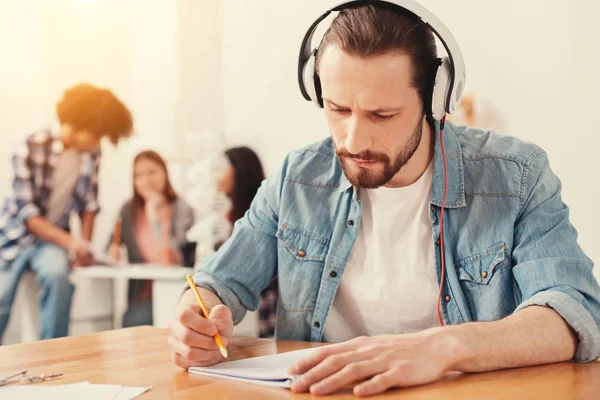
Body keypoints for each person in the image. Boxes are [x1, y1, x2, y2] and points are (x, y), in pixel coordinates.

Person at [168, 1, 600, 397]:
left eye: (382, 115)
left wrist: (440, 348)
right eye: (338, 110)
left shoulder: (516, 175)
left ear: (436, 100)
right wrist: (196, 315)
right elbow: (215, 284)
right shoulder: (296, 179)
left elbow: (573, 314)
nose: (354, 139)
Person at [0, 83, 133, 342]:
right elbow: (28, 215)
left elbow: (89, 205)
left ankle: (54, 354)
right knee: (2, 299)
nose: (97, 141)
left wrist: (83, 246)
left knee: (59, 277)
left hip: (51, 244)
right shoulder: (30, 145)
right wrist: (71, 242)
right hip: (11, 239)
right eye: (96, 133)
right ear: (77, 121)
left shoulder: (91, 154)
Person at [108, 150, 195, 327]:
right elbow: (110, 245)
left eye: (152, 172)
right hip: (142, 295)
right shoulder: (128, 210)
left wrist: (154, 217)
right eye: (138, 175)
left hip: (176, 293)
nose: (146, 180)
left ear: (165, 173)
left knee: (136, 320)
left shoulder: (181, 208)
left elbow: (173, 259)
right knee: (131, 320)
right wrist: (112, 251)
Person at [216, 147, 276, 338]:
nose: (217, 177)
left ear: (239, 171)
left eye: (221, 169)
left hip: (267, 311)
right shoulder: (227, 213)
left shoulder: (261, 216)